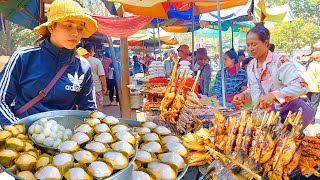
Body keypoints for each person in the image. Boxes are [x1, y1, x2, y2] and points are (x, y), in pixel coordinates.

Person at [0, 0, 97, 126]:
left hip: (65, 139)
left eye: (80, 28)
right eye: (68, 25)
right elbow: (1, 101)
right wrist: (19, 132)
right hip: (26, 136)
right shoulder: (24, 57)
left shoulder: (83, 67)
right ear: (51, 27)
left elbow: (89, 110)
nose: (75, 33)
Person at [232, 23, 308, 110]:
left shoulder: (280, 62)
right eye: (248, 45)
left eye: (254, 44)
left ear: (266, 43)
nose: (250, 49)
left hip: (281, 118)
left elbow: (302, 86)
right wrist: (243, 96)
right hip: (259, 118)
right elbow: (253, 90)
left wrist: (274, 96)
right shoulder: (250, 66)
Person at [82, 44, 107, 112]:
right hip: (96, 88)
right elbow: (101, 75)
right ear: (91, 51)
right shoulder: (96, 61)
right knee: (98, 107)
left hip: (82, 89)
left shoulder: (79, 60)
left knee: (86, 107)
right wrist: (104, 86)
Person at [306, 51, 320, 120]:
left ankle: (307, 118)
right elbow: (319, 78)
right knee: (314, 104)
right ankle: (311, 119)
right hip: (315, 89)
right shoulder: (317, 66)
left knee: (309, 104)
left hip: (308, 88)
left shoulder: (311, 64)